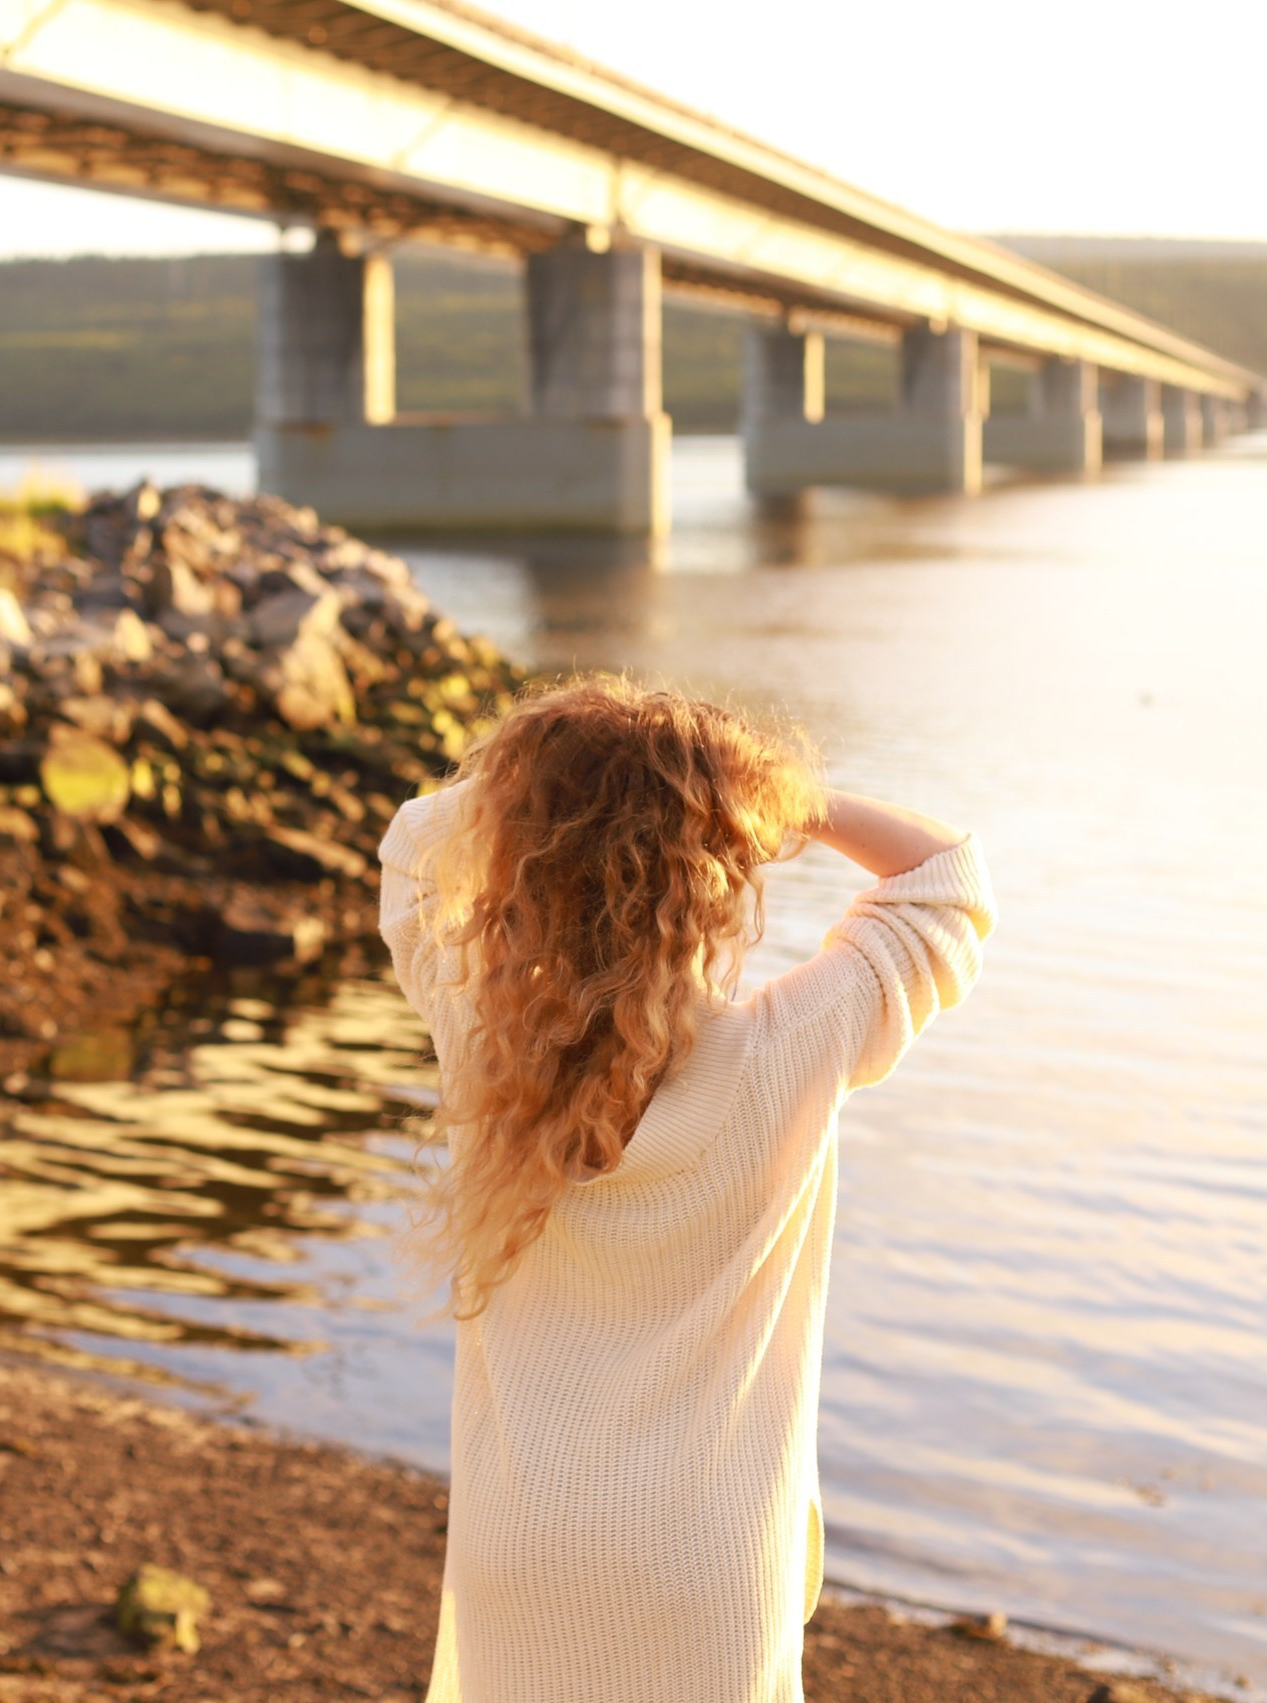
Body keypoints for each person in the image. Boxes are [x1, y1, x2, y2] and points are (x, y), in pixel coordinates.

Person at [379, 676, 994, 1703]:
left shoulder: (484, 1045)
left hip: (521, 1540)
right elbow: (947, 877)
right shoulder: (790, 1048)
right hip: (707, 1557)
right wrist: (761, 788)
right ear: (712, 876)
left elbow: (413, 843)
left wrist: (566, 767)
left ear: (532, 861)